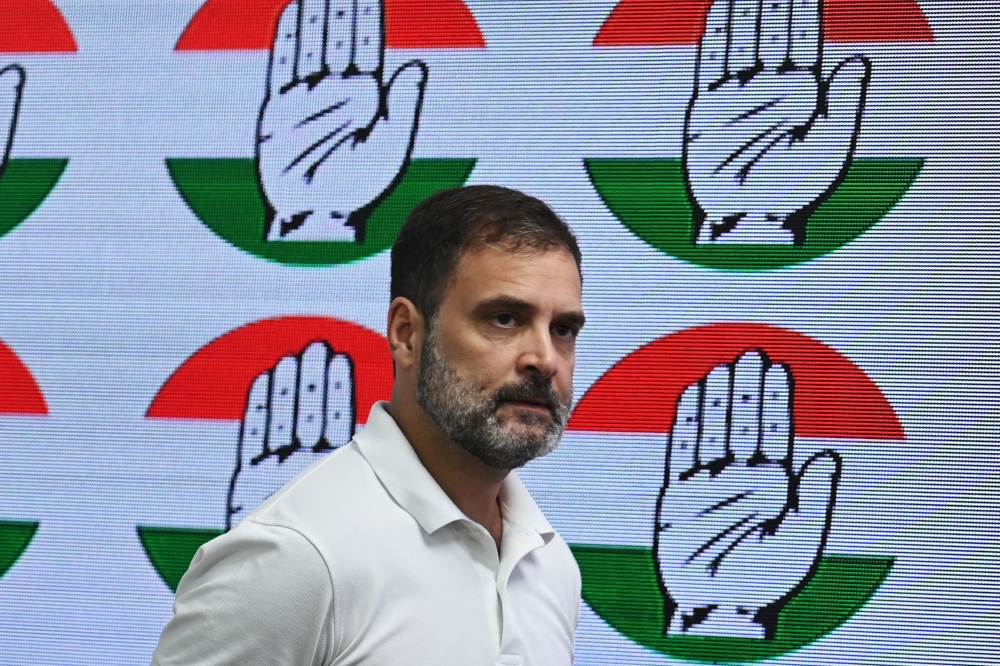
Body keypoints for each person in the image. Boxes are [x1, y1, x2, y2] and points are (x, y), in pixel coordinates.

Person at [150, 185, 586, 665]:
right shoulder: (296, 559)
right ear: (407, 334)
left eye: (563, 329)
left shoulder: (550, 564)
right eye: (504, 318)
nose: (545, 359)